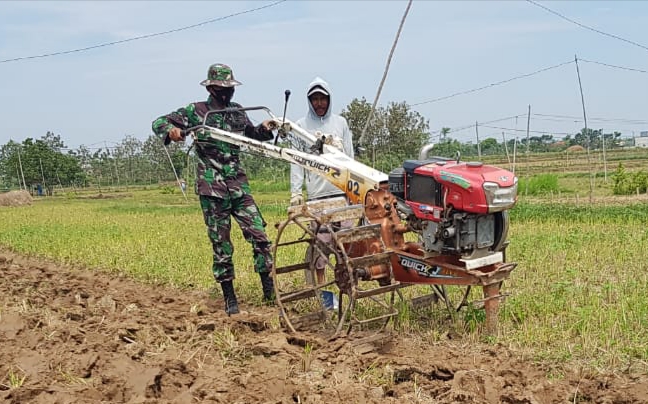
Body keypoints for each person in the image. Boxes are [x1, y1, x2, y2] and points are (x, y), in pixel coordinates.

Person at [152, 63, 275, 315]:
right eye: (221, 88)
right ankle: (230, 298)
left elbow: (252, 134)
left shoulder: (237, 112)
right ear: (210, 87)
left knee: (260, 236)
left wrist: (265, 129)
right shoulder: (196, 111)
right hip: (213, 189)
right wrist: (173, 131)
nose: (226, 93)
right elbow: (158, 123)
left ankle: (269, 290)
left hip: (239, 186)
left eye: (229, 89)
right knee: (221, 244)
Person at [290, 77, 354, 285]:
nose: (319, 103)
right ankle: (322, 287)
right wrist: (296, 193)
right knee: (321, 246)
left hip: (341, 192)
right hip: (318, 196)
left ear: (329, 99)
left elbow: (350, 159)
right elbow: (297, 162)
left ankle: (348, 285)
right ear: (309, 101)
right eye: (315, 99)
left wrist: (354, 189)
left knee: (347, 245)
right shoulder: (300, 126)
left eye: (322, 98)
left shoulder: (340, 123)